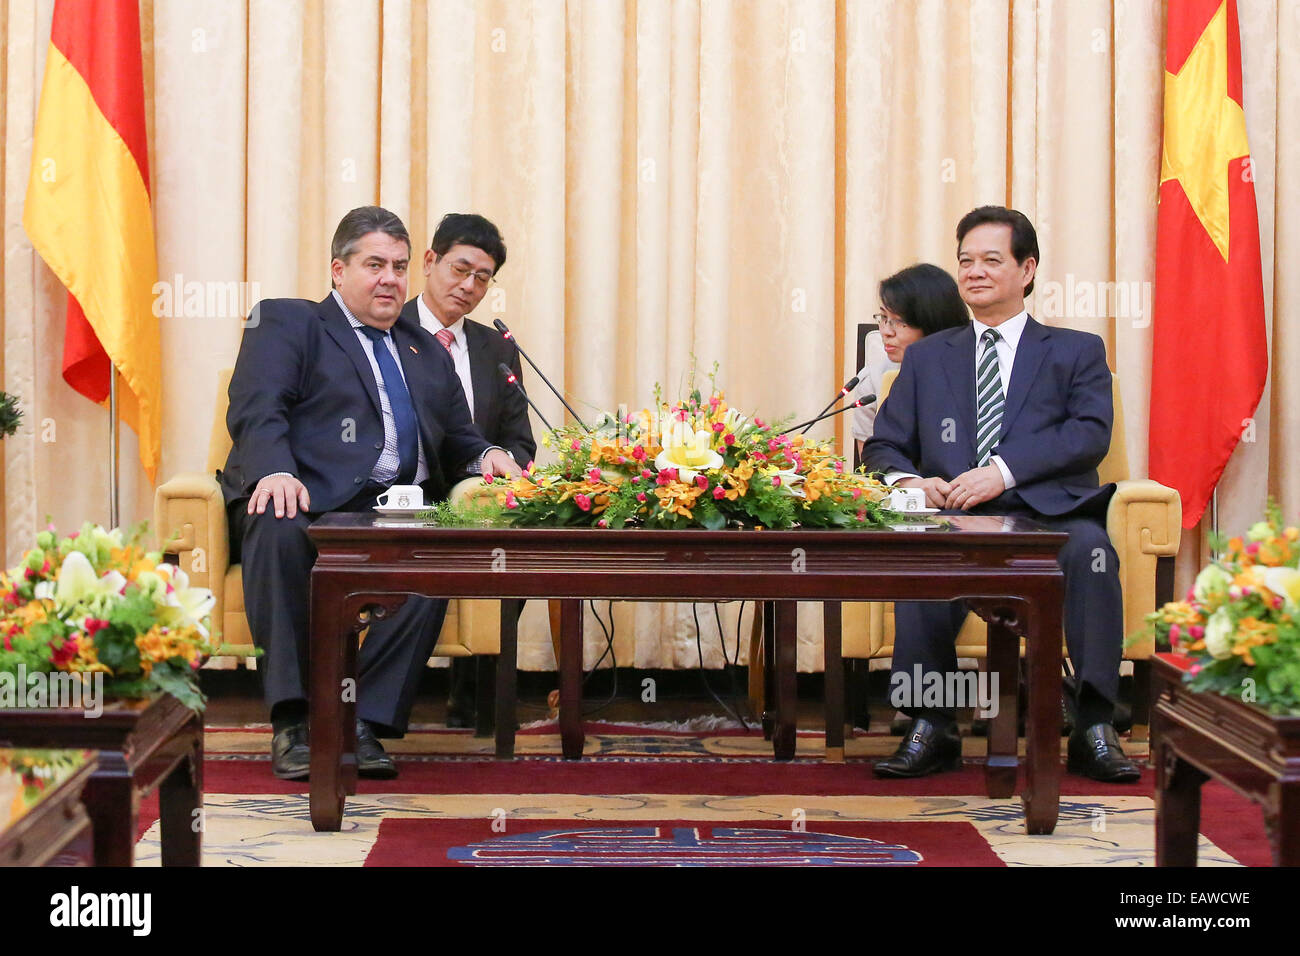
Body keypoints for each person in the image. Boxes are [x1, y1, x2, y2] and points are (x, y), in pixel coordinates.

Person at [220, 205, 520, 780]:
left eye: (400, 267)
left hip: (385, 512)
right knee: (278, 521)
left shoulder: (424, 348)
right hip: (303, 497)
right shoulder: (288, 321)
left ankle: (362, 721)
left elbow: (460, 437)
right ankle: (296, 723)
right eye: (375, 264)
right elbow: (259, 408)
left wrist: (487, 456)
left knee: (438, 553)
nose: (391, 279)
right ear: (338, 271)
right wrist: (273, 470)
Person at [864, 205, 1139, 783]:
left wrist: (1004, 472)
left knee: (1093, 557)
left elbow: (1089, 436)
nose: (975, 272)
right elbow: (884, 446)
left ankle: (1093, 724)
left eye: (992, 259)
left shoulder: (1075, 350)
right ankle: (929, 724)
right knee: (919, 557)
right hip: (953, 519)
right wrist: (911, 483)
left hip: (1050, 515)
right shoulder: (927, 359)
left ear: (1027, 269)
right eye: (966, 261)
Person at [401, 213, 536, 727]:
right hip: (403, 494)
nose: (469, 286)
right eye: (460, 269)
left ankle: (478, 697)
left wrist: (503, 473)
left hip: (474, 498)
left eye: (483, 277)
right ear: (431, 261)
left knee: (520, 538)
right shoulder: (388, 329)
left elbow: (518, 439)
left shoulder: (495, 347)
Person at [852, 263, 969, 460]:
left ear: (933, 322)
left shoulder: (978, 374)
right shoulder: (872, 381)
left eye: (899, 321)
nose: (886, 331)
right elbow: (872, 468)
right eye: (883, 317)